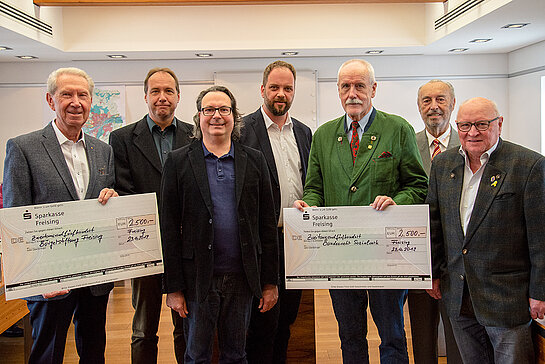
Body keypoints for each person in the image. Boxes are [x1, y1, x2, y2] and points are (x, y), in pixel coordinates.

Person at [294, 59, 428, 364]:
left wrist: (398, 201)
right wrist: (309, 205)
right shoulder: (325, 135)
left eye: (359, 86)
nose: (352, 93)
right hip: (340, 255)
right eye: (345, 86)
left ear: (373, 89)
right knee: (349, 335)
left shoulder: (397, 129)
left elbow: (418, 185)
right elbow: (314, 186)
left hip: (386, 254)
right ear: (338, 91)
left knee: (392, 333)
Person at [2, 67, 118, 364]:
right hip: (50, 281)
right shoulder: (23, 147)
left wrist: (114, 199)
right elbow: (15, 220)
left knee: (94, 352)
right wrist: (36, 280)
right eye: (66, 94)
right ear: (50, 100)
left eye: (83, 95)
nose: (75, 102)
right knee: (47, 354)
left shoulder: (102, 150)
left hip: (95, 274)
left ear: (92, 102)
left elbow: (105, 200)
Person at [160, 86, 279, 363]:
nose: (216, 116)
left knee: (236, 355)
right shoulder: (177, 162)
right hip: (197, 279)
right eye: (209, 110)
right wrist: (173, 287)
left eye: (224, 110)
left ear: (234, 117)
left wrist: (270, 282)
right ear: (198, 117)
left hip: (242, 278)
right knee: (197, 355)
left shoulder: (254, 159)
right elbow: (168, 227)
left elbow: (266, 225)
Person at [426, 97, 545, 363]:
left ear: (499, 124)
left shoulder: (529, 166)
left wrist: (540, 291)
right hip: (458, 294)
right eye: (465, 125)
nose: (472, 133)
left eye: (481, 124)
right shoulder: (443, 165)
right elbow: (434, 224)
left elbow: (541, 237)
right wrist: (432, 273)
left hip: (506, 298)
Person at [109, 67, 191, 364]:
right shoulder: (121, 139)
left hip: (185, 246)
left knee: (185, 325)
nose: (162, 97)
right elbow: (124, 188)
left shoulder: (194, 134)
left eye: (168, 91)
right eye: (155, 91)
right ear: (145, 96)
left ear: (178, 97)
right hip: (144, 246)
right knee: (144, 329)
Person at [241, 60, 312, 364]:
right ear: (262, 90)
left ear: (294, 92)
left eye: (287, 88)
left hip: (296, 244)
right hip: (260, 245)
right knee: (260, 323)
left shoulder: (306, 133)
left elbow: (311, 182)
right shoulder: (243, 131)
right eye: (274, 87)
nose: (280, 93)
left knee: (287, 322)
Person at [410, 80, 462, 363]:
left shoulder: (468, 143)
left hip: (457, 258)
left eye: (440, 99)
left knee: (458, 335)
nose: (433, 107)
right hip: (417, 255)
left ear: (452, 103)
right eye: (426, 101)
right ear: (418, 107)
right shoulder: (409, 144)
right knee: (422, 334)